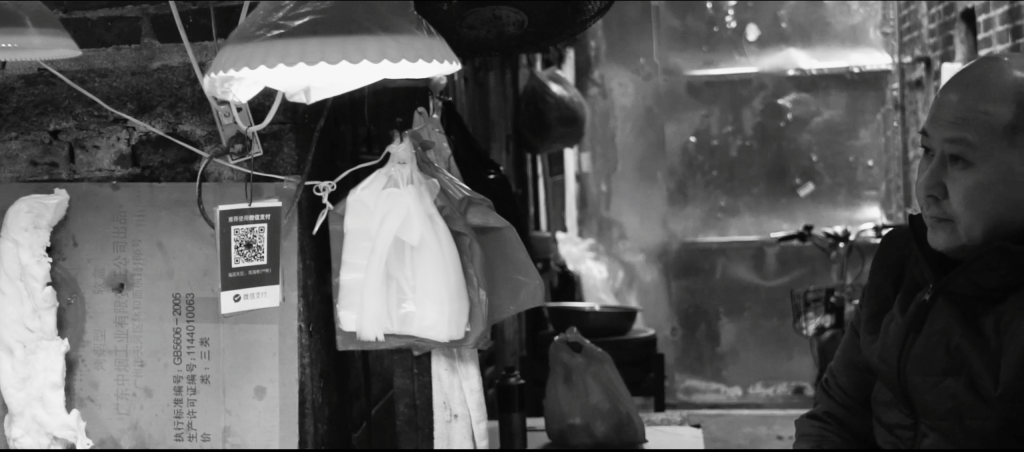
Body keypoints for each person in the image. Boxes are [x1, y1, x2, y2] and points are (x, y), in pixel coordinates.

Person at [794, 54, 1024, 448]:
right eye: (926, 151)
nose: (927, 187)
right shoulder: (901, 262)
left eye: (958, 159)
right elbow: (835, 416)